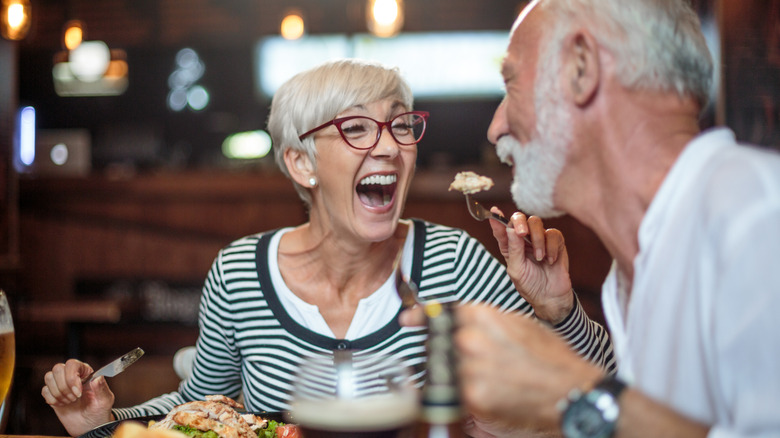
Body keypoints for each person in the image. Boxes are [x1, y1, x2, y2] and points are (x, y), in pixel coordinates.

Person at [41, 58, 614, 437]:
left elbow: (597, 397)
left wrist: (558, 312)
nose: (389, 148)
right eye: (357, 129)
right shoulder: (240, 273)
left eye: (400, 126)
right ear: (300, 163)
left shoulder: (452, 263)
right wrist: (103, 420)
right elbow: (198, 412)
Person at [449, 0, 780, 437]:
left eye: (510, 84)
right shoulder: (631, 270)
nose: (495, 130)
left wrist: (565, 391)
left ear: (581, 68)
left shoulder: (756, 216)